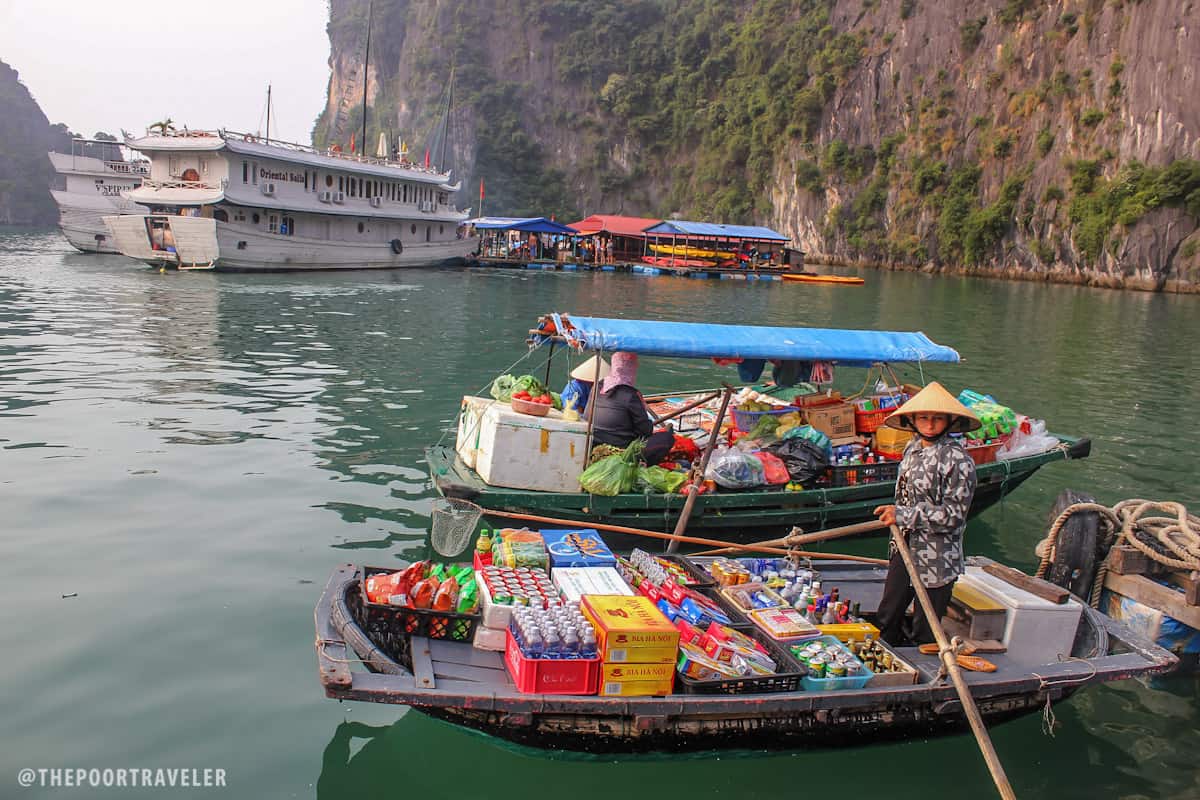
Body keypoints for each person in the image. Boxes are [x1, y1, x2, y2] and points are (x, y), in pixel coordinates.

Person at [872, 382, 979, 646]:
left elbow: (953, 515)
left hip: (937, 556)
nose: (930, 424)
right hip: (904, 546)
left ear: (948, 421)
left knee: (925, 626)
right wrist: (895, 512)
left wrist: (904, 515)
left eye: (937, 418)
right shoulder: (912, 450)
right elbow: (906, 497)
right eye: (923, 418)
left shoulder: (958, 460)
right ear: (913, 420)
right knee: (888, 614)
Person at [588, 351, 674, 465]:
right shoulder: (630, 395)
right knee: (666, 438)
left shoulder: (597, 387)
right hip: (620, 450)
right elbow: (645, 431)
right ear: (630, 369)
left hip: (593, 444)